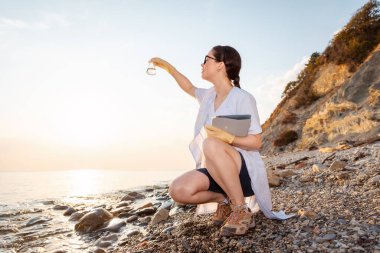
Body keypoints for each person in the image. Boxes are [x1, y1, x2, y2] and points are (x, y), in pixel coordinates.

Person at [149, 45, 292, 237]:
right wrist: (168, 68)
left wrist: (230, 138)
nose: (202, 63)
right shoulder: (208, 96)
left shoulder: (243, 98)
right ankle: (225, 201)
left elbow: (257, 143)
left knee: (211, 143)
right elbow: (189, 87)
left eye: (206, 59)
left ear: (220, 65)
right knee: (178, 190)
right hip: (218, 170)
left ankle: (240, 209)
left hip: (244, 172)